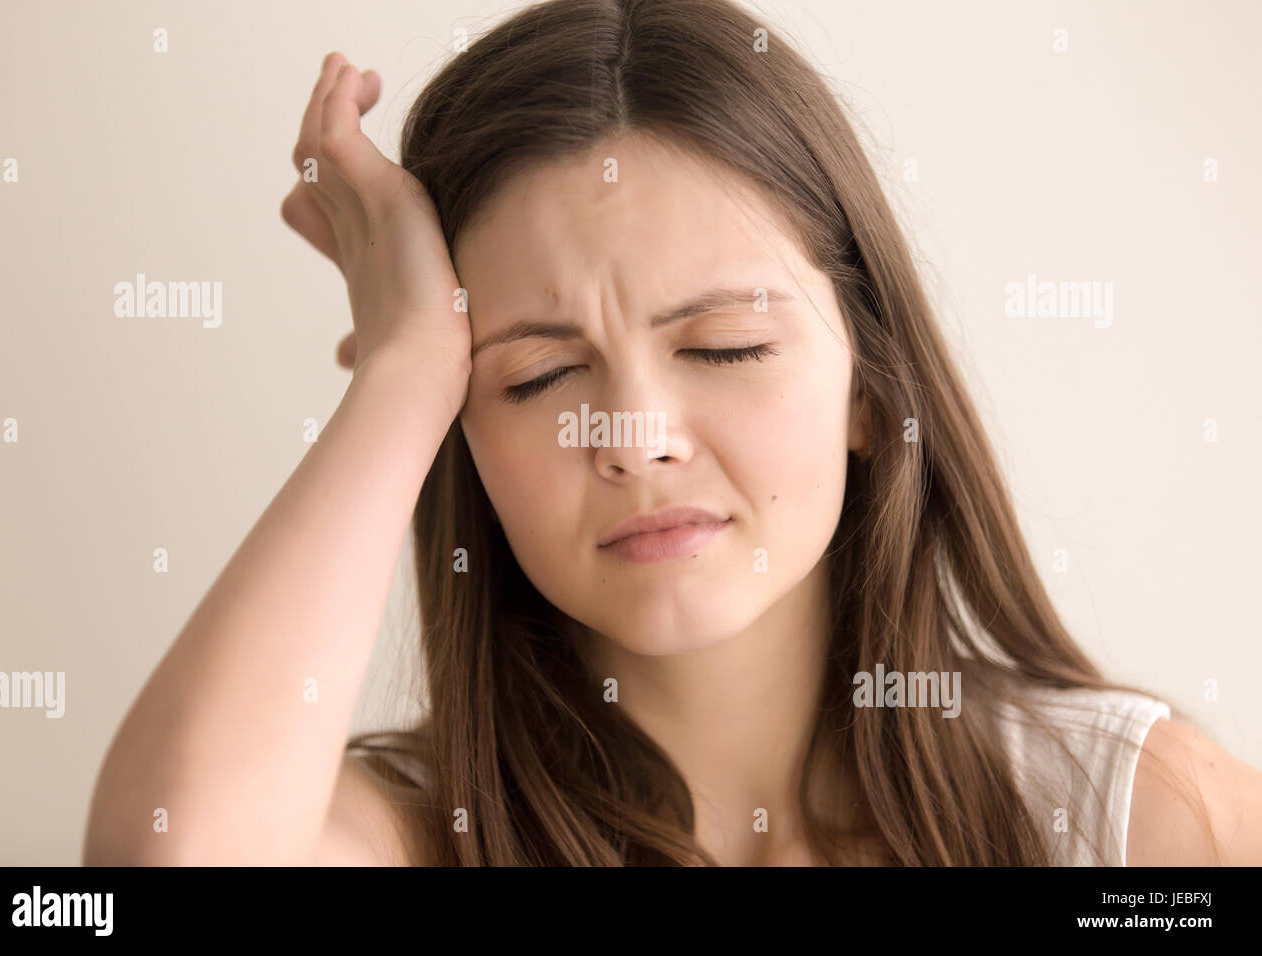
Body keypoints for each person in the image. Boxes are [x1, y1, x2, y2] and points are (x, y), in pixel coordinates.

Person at [83, 0, 1262, 867]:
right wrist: (401, 369)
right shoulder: (410, 836)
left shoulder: (1127, 820)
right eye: (536, 375)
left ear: (867, 384)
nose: (633, 435)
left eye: (724, 347)